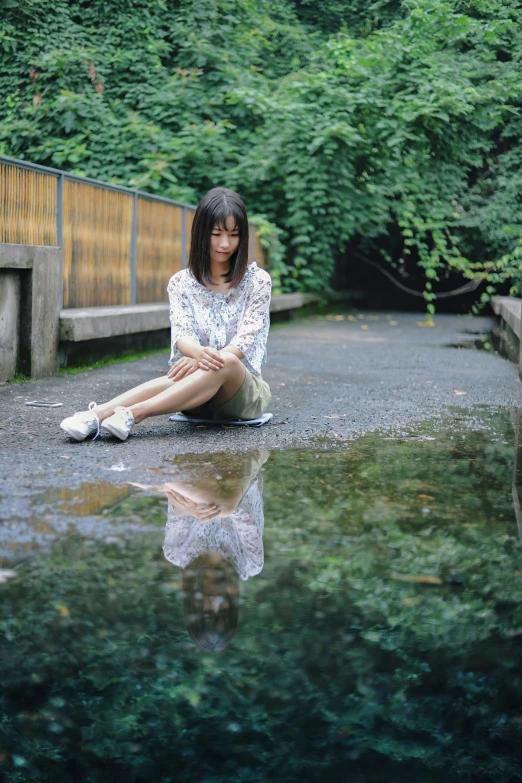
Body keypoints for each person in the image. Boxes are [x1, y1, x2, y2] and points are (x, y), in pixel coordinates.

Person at [59, 187, 272, 441]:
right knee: (196, 370)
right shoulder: (181, 283)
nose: (225, 244)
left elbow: (243, 342)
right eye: (216, 234)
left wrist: (201, 359)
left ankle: (133, 414)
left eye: (233, 235)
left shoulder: (257, 281)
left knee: (226, 362)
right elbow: (182, 335)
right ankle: (97, 415)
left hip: (241, 394)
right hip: (194, 395)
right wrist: (197, 355)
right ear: (202, 233)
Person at [131, 450, 268, 651]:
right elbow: (245, 513)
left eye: (207, 613)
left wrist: (193, 510)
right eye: (223, 611)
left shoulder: (176, 554)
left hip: (194, 471)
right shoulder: (250, 563)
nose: (215, 603)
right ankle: (147, 476)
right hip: (240, 474)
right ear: (232, 607)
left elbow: (175, 503)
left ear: (194, 610)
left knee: (213, 501)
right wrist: (203, 508)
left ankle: (150, 476)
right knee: (227, 506)